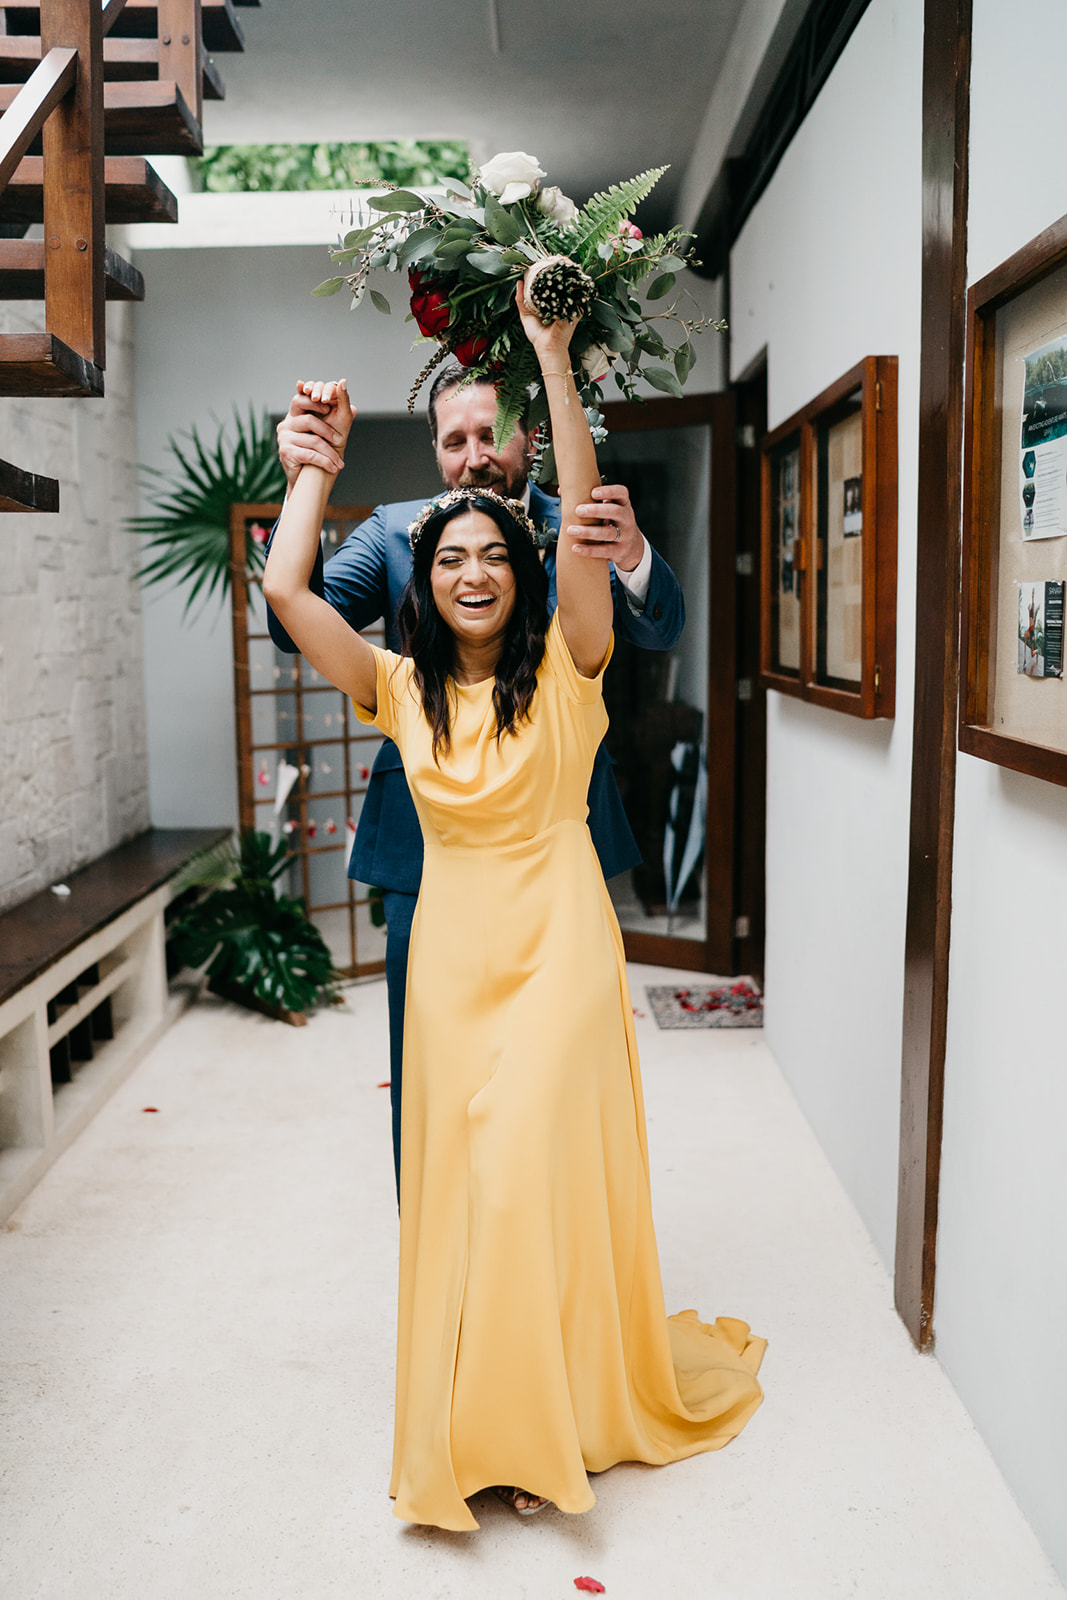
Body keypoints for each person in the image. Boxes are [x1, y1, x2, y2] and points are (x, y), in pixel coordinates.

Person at [262, 286, 765, 1530]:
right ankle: (468, 1388)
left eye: (494, 546)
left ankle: (546, 1408)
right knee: (452, 1171)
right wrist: (311, 471)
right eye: (451, 547)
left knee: (531, 1159)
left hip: (556, 934)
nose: (473, 559)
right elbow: (290, 601)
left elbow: (615, 587)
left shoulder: (565, 645)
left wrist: (553, 354)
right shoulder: (393, 640)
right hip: (444, 939)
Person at [267, 363, 685, 1196]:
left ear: (529, 431)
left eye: (490, 434)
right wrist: (307, 474)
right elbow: (296, 619)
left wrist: (629, 552)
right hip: (430, 840)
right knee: (430, 1070)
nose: (473, 457)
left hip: (552, 833)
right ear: (434, 449)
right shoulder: (394, 532)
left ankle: (553, 1239)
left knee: (554, 1073)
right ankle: (437, 1237)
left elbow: (661, 621)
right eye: (453, 441)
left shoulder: (582, 521)